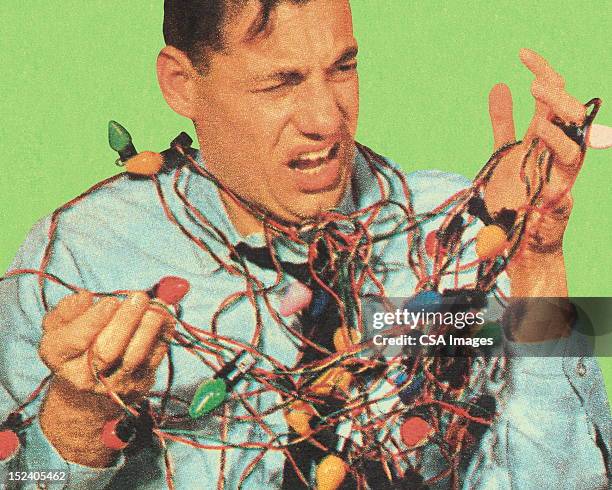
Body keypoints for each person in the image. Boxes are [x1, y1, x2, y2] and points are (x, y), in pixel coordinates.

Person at [0, 0, 609, 488]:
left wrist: (539, 267)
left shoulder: (455, 232)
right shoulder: (77, 258)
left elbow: (573, 478)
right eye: (279, 83)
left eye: (343, 68)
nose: (327, 118)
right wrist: (75, 428)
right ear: (182, 84)